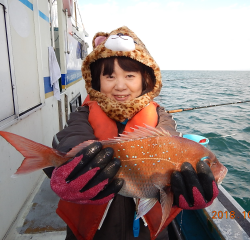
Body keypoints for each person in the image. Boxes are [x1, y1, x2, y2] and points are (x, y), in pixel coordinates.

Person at [44, 26, 219, 240]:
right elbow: (72, 137)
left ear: (146, 79)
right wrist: (69, 167)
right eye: (109, 76)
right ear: (96, 81)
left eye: (129, 75)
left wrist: (190, 193)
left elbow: (171, 141)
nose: (120, 85)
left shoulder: (160, 117)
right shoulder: (83, 114)